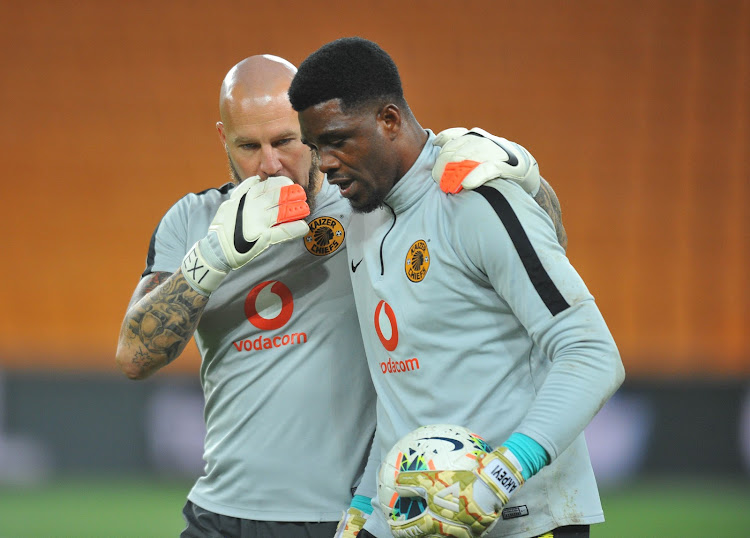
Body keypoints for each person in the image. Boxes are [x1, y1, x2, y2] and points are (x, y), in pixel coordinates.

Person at [115, 54, 550, 538]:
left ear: (310, 127)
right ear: (223, 139)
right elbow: (134, 356)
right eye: (248, 146)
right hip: (218, 513)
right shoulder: (192, 221)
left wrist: (529, 179)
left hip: (346, 517)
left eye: (285, 141)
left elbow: (535, 253)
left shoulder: (367, 202)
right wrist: (211, 260)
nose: (270, 164)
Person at [288, 37, 625, 538]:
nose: (326, 163)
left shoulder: (476, 199)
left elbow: (592, 353)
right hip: (413, 520)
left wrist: (499, 479)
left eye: (338, 140)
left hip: (522, 521)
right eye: (316, 148)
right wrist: (362, 507)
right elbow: (402, 392)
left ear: (389, 120)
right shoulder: (359, 221)